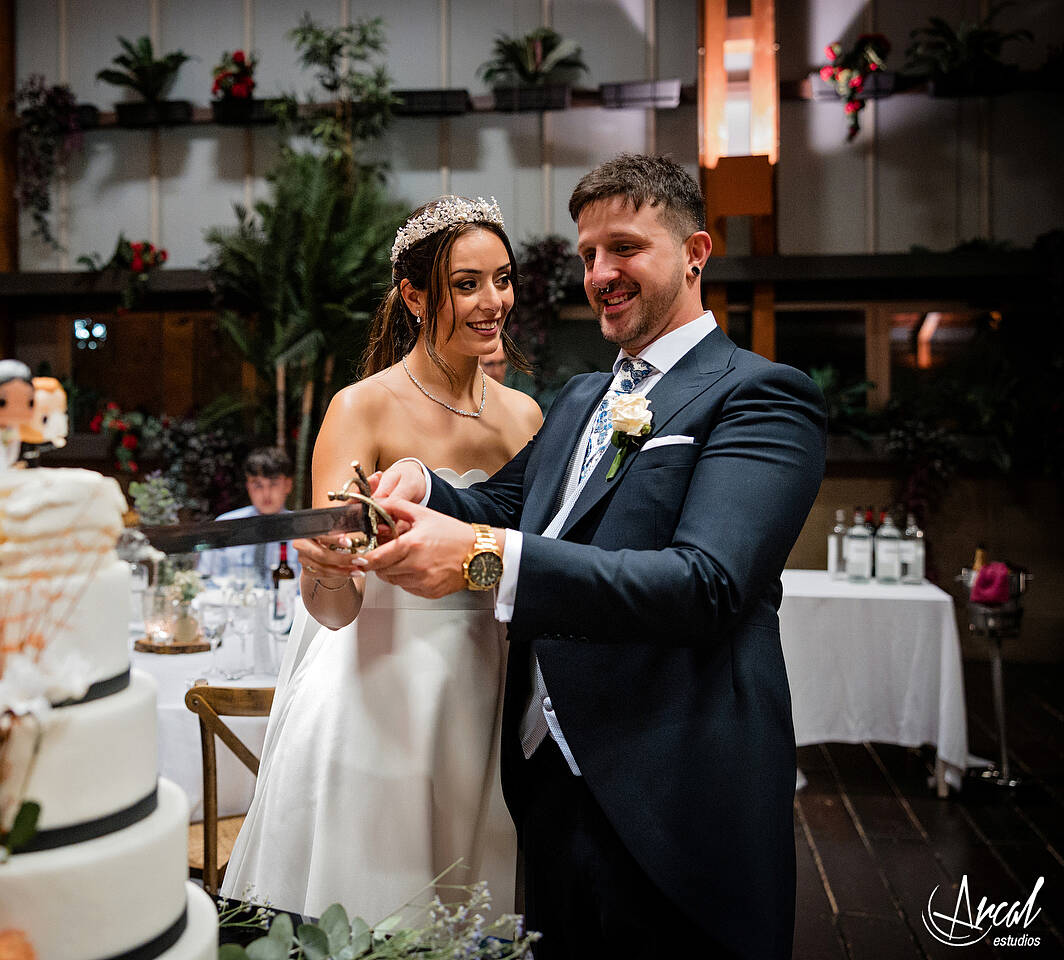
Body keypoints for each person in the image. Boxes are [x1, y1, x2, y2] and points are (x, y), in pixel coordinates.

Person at [363, 155, 828, 958]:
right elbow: (508, 507)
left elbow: (705, 585)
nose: (600, 273)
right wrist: (424, 487)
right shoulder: (581, 397)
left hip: (673, 793)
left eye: (624, 248)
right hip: (545, 786)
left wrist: (482, 558)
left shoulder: (759, 396)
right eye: (586, 255)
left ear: (695, 253)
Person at [221, 197, 543, 921]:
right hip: (375, 692)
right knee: (378, 901)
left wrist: (475, 574)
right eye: (467, 284)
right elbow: (334, 611)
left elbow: (523, 560)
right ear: (415, 295)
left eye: (503, 278)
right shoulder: (359, 409)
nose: (494, 301)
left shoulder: (527, 419)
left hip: (488, 687)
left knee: (474, 903)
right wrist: (326, 569)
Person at [196, 447, 299, 585]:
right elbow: (205, 579)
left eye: (273, 484)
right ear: (248, 486)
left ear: (288, 485)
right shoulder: (226, 525)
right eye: (258, 485)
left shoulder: (302, 530)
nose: (266, 494)